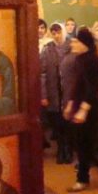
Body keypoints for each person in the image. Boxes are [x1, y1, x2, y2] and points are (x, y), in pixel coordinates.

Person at [61, 28, 98, 192]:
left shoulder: (92, 62)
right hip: (79, 105)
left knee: (84, 143)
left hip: (88, 108)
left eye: (76, 41)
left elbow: (92, 89)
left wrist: (83, 110)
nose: (73, 44)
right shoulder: (80, 59)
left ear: (84, 44)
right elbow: (77, 85)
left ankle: (83, 179)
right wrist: (71, 104)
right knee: (81, 142)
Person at [39, 20, 61, 150]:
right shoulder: (30, 42)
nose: (40, 30)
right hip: (38, 84)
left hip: (54, 85)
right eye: (38, 27)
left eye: (42, 27)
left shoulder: (51, 45)